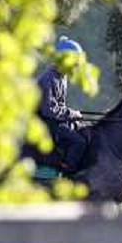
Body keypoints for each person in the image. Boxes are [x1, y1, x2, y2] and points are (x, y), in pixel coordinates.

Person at [37, 36, 87, 174]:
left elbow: (60, 105)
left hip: (54, 120)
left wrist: (72, 115)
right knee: (79, 142)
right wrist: (72, 114)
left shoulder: (62, 77)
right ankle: (66, 171)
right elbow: (49, 110)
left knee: (85, 131)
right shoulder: (48, 79)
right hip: (44, 122)